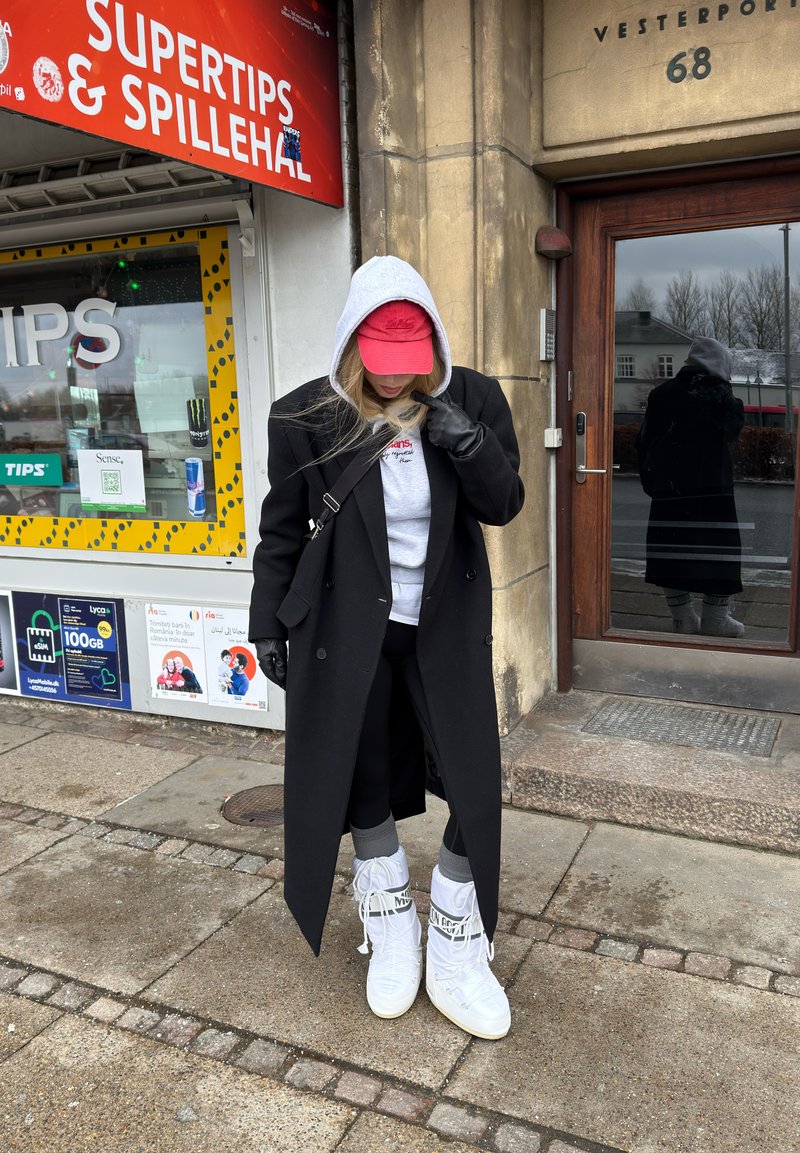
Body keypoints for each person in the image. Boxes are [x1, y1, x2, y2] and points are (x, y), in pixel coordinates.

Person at [249, 255, 524, 1040]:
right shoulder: (304, 416)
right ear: (351, 348)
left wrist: (467, 442)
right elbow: (280, 530)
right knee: (360, 766)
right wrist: (267, 619)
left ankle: (457, 929)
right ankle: (391, 913)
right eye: (384, 368)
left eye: (414, 366)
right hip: (346, 629)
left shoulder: (470, 397)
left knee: (473, 779)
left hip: (444, 626)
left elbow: (504, 503)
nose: (400, 383)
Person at [636, 336, 745, 637]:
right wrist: (729, 395)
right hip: (712, 490)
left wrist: (653, 483)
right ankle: (715, 617)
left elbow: (644, 443)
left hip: (671, 491)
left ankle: (682, 617)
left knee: (672, 548)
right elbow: (732, 430)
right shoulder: (718, 395)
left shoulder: (662, 394)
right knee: (719, 550)